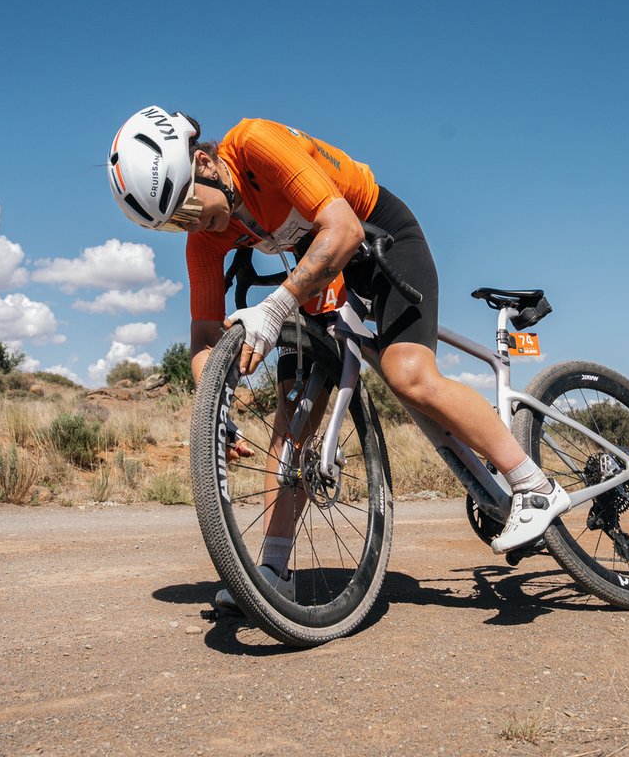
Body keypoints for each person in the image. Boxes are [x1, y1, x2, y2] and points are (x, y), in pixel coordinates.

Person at [107, 105, 569, 586]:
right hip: (322, 259)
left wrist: (275, 307)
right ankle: (273, 571)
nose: (191, 226)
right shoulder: (205, 237)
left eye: (186, 210)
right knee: (292, 418)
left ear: (203, 163)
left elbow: (344, 230)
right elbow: (204, 339)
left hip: (376, 231)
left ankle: (534, 486)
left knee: (408, 374)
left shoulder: (255, 144)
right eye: (173, 225)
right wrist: (215, 413)